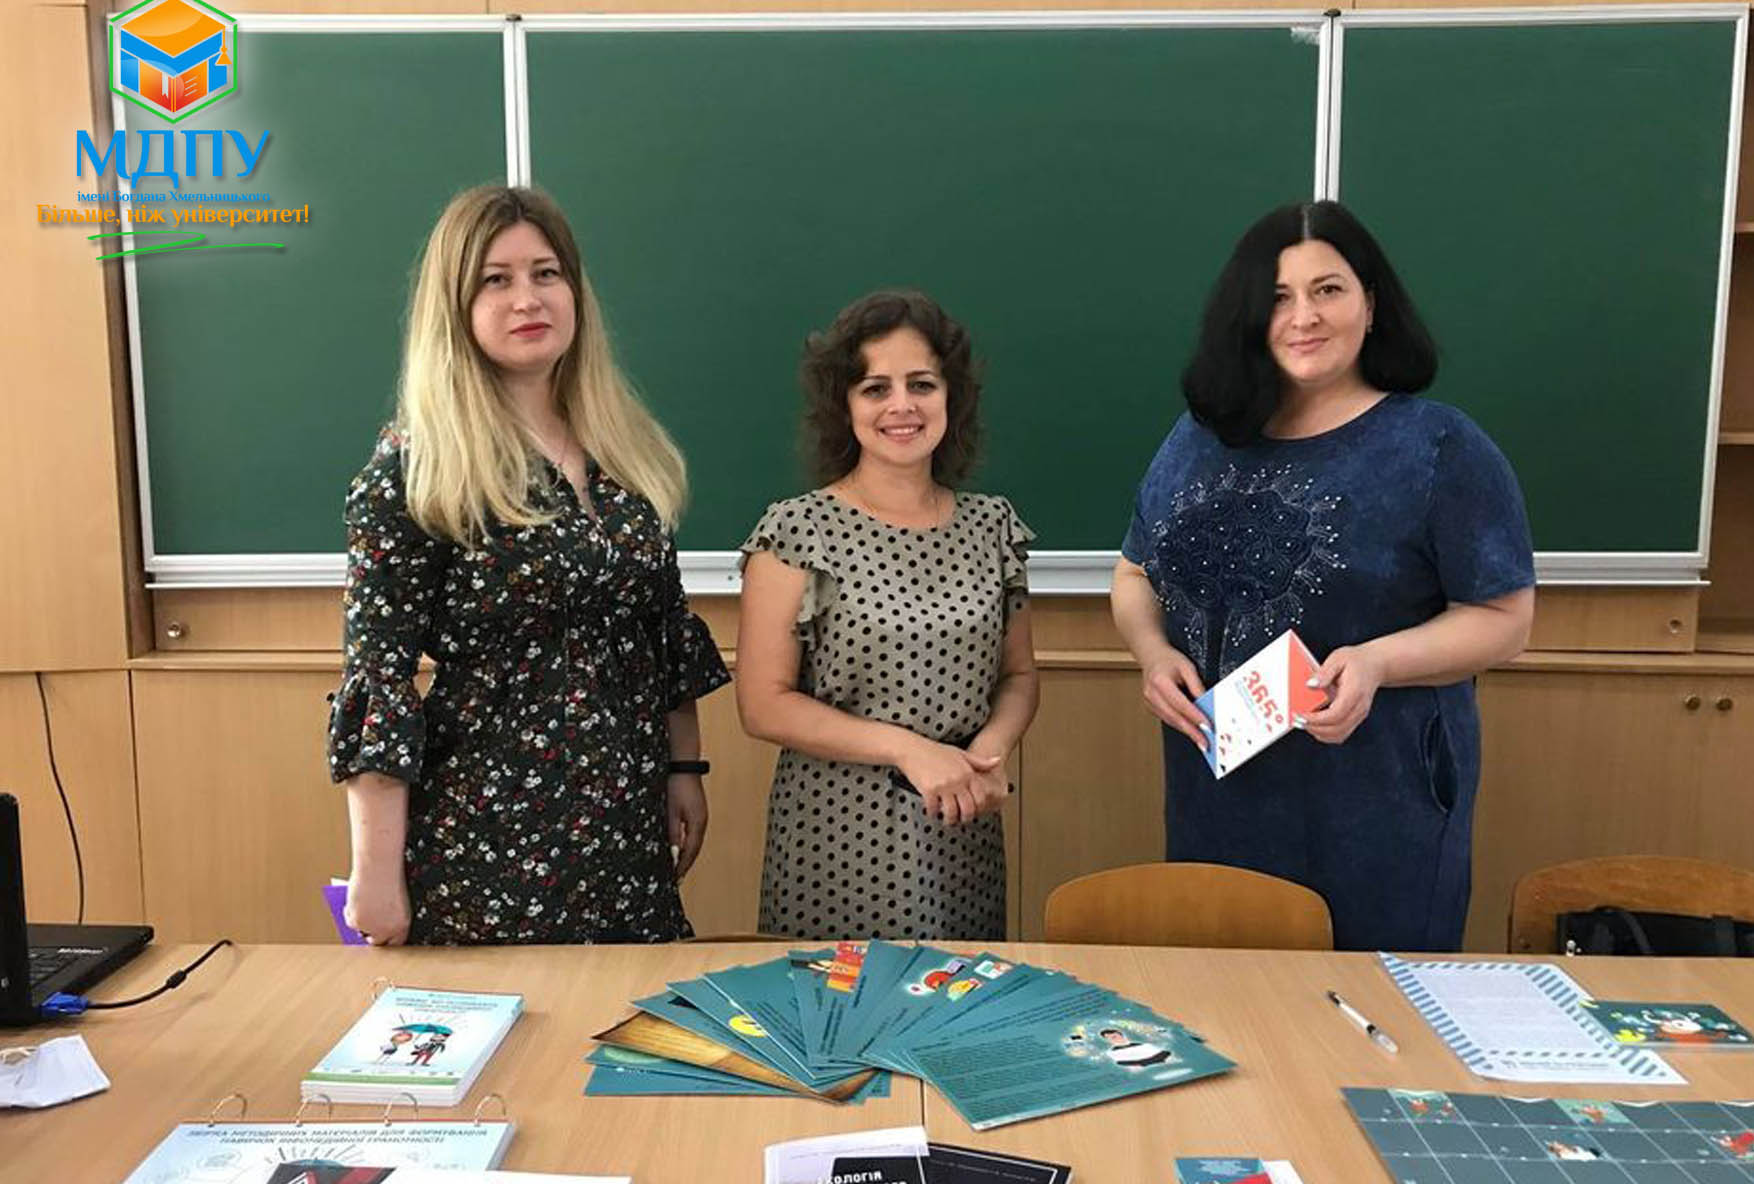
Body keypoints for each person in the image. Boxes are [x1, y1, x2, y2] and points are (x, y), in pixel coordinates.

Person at [1110, 201, 1535, 952]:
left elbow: (1506, 619)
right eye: (1277, 297)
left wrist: (1378, 662)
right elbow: (1134, 573)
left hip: (1377, 809)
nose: (1302, 316)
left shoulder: (1439, 447)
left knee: (1374, 1007)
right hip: (1218, 796)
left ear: (1371, 303)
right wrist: (1151, 653)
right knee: (1226, 994)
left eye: (1327, 290)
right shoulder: (1198, 438)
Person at [326, 184, 730, 946]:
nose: (527, 299)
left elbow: (663, 632)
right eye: (496, 280)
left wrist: (686, 770)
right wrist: (375, 875)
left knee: (627, 1018)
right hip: (486, 849)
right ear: (456, 305)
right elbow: (378, 677)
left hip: (626, 841)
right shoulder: (416, 468)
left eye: (546, 273)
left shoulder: (623, 449)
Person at [736, 290, 1038, 940]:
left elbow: (1018, 677)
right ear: (843, 405)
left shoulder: (993, 527)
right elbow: (763, 704)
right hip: (839, 838)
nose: (902, 405)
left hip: (962, 825)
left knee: (956, 997)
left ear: (951, 397)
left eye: (922, 384)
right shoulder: (798, 531)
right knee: (837, 1000)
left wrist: (990, 751)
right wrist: (909, 750)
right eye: (875, 388)